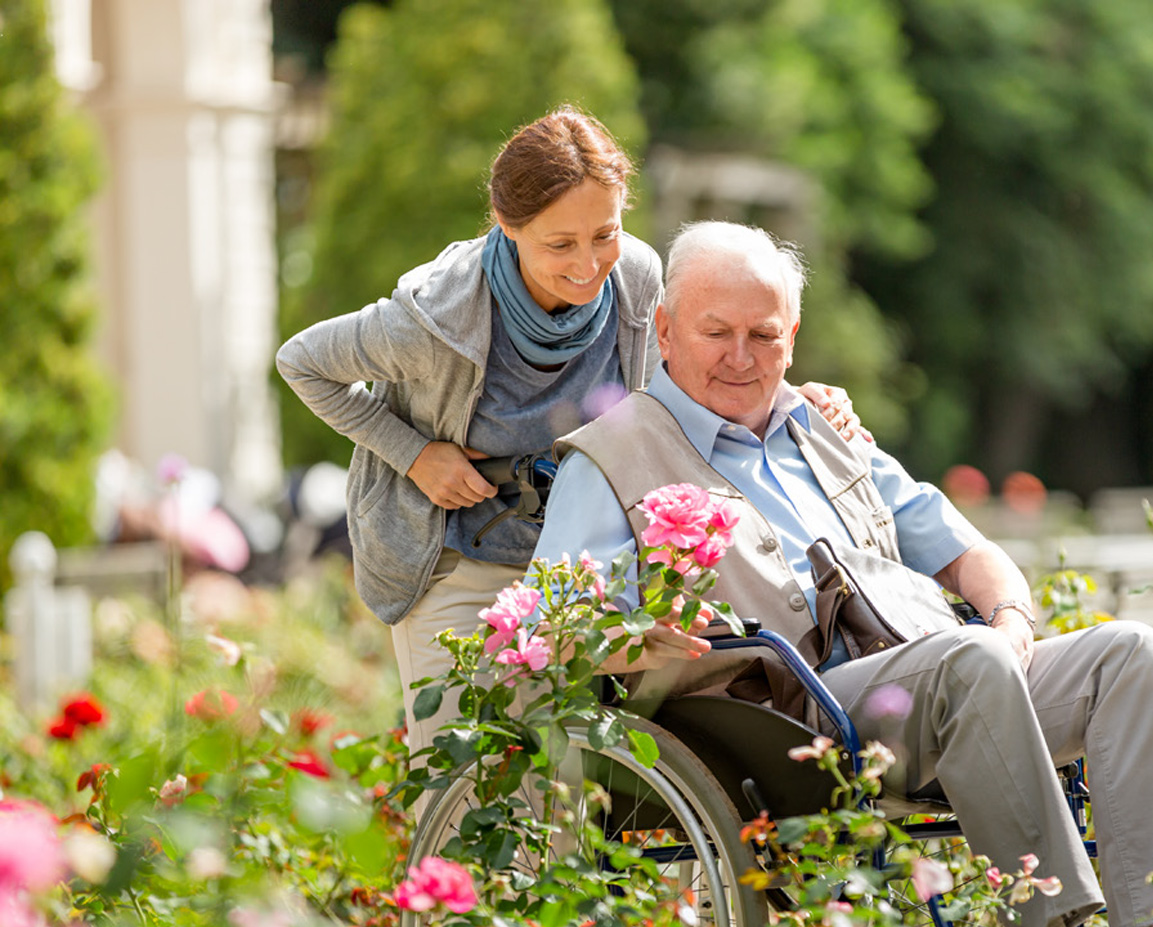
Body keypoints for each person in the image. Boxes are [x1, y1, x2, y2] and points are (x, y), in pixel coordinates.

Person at [532, 220, 1153, 927]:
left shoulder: (826, 430)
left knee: (1131, 656)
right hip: (778, 724)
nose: (740, 357)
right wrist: (641, 638)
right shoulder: (611, 458)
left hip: (930, 685)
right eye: (716, 333)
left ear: (793, 336)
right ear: (665, 330)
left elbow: (972, 554)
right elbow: (558, 624)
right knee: (967, 661)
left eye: (763, 334)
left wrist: (1011, 622)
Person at [276, 108, 862, 764]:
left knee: (576, 783)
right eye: (560, 245)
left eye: (603, 234)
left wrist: (792, 398)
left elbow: (686, 380)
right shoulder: (435, 316)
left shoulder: (635, 276)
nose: (588, 266)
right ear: (508, 225)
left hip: (582, 563)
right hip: (458, 559)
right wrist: (414, 455)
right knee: (470, 776)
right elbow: (301, 362)